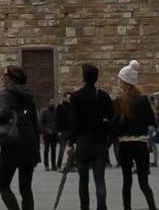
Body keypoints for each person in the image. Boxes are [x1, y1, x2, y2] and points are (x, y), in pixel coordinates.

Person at [0, 63, 43, 210]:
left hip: (12, 144)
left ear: (12, 77)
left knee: (3, 185)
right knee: (26, 187)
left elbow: (4, 114)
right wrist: (36, 151)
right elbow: (34, 124)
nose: (2, 77)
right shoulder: (28, 95)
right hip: (30, 145)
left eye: (5, 75)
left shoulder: (6, 93)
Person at [65, 63, 115, 210]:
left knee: (83, 180)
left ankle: (84, 207)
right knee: (100, 180)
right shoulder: (103, 95)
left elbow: (74, 122)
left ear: (83, 78)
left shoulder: (76, 96)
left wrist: (71, 143)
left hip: (83, 142)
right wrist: (105, 129)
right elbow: (112, 116)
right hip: (99, 140)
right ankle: (101, 207)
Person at [112, 63, 159, 210]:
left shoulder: (119, 101)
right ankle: (152, 207)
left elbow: (115, 124)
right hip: (140, 143)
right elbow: (151, 121)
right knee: (144, 183)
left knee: (127, 182)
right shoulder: (143, 100)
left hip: (125, 144)